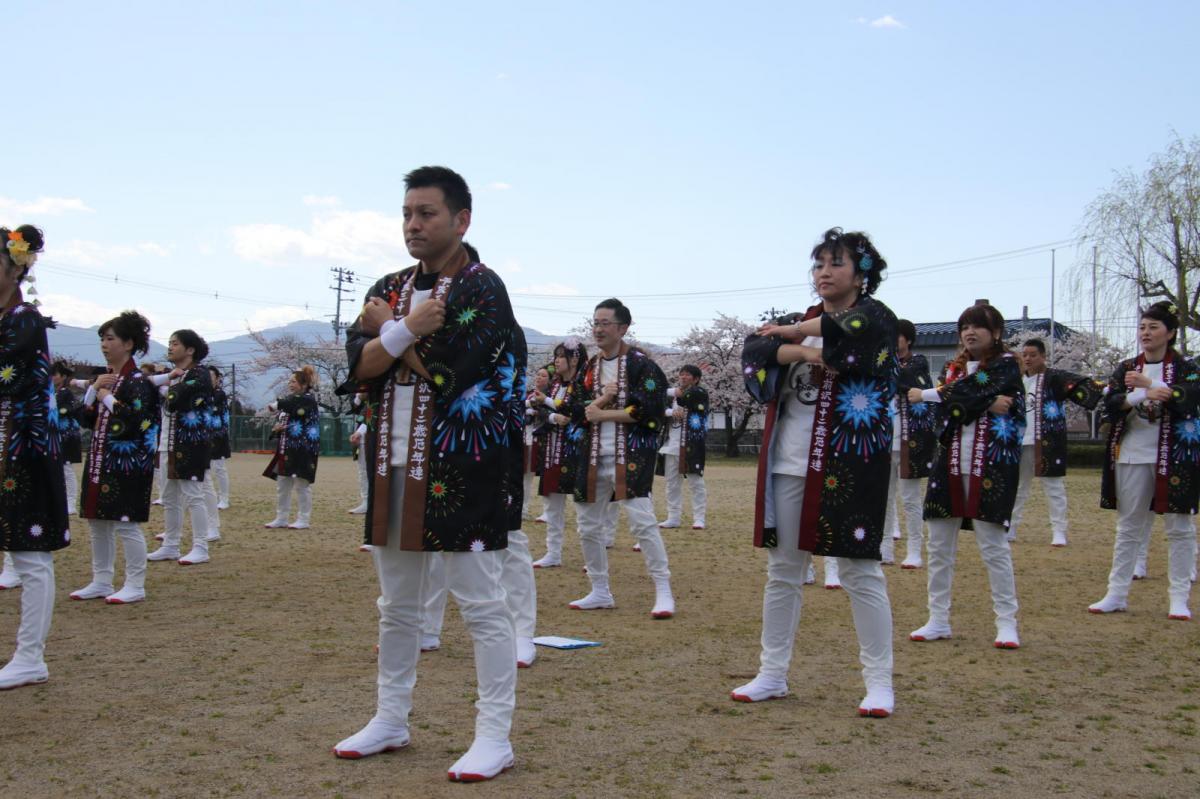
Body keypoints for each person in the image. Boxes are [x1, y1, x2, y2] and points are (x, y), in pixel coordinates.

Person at [332, 166, 518, 782]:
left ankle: (495, 734)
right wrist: (406, 328)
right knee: (397, 603)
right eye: (407, 212)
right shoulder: (389, 285)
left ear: (462, 220)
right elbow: (357, 370)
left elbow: (452, 370)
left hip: (463, 465)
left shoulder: (483, 288)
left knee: (482, 604)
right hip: (392, 461)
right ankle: (390, 717)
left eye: (427, 213)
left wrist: (388, 335)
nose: (413, 224)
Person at [733, 228, 897, 717]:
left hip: (849, 464)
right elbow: (753, 352)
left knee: (859, 571)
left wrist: (791, 337)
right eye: (819, 263)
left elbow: (856, 339)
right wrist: (801, 347)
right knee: (783, 571)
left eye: (837, 263)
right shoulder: (799, 323)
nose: (825, 272)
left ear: (861, 272)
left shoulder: (879, 319)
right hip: (788, 460)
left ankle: (879, 681)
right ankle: (773, 673)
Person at [908, 303, 1025, 649]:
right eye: (964, 327)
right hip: (949, 462)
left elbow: (972, 395)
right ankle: (938, 618)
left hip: (991, 463)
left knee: (993, 544)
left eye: (978, 327)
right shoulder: (952, 369)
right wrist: (985, 402)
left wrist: (934, 395)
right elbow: (948, 411)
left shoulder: (1007, 366)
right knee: (940, 544)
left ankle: (1006, 622)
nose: (969, 333)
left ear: (997, 333)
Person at [563, 298, 675, 618]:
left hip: (632, 454)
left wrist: (603, 412)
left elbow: (651, 410)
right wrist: (603, 401)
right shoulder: (589, 366)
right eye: (595, 323)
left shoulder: (642, 365)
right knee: (587, 525)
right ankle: (599, 590)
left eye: (605, 323)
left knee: (642, 521)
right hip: (593, 453)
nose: (598, 329)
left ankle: (663, 590)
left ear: (623, 328)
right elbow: (579, 409)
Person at [1089, 302, 1199, 620]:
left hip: (1176, 456)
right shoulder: (1126, 368)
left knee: (1179, 526)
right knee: (1128, 526)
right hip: (1132, 454)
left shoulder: (1186, 367)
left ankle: (1179, 597)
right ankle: (1116, 592)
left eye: (1153, 327)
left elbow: (1190, 397)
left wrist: (1153, 385)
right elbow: (1108, 403)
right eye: (1142, 327)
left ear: (1171, 333)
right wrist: (1137, 396)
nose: (1146, 333)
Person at [0, 224, 70, 690]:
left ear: (13, 267)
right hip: (8, 447)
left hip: (22, 449)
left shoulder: (23, 319)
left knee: (30, 553)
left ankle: (30, 656)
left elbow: (11, 380)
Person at [70, 311, 160, 605]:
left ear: (129, 344)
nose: (104, 345)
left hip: (128, 464)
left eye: (110, 339)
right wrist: (95, 391)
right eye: (102, 339)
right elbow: (85, 419)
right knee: (98, 522)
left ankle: (136, 583)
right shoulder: (107, 379)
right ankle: (101, 579)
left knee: (125, 523)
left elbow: (134, 420)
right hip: (101, 461)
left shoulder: (139, 381)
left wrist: (105, 395)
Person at [1006, 338, 1103, 546]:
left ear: (1043, 356)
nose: (1028, 358)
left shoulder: (1054, 378)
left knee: (1054, 487)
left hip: (1048, 440)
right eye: (1025, 355)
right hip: (1019, 441)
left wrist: (1103, 390)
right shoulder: (1015, 381)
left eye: (1033, 355)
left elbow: (1078, 384)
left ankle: (1059, 530)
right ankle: (1010, 527)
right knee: (1016, 487)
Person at [146, 330, 214, 565]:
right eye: (169, 343)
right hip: (166, 443)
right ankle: (170, 545)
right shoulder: (171, 375)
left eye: (175, 343)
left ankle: (201, 546)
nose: (170, 347)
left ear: (190, 349)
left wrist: (163, 388)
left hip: (191, 444)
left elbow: (175, 399)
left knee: (194, 496)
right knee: (169, 497)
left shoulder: (200, 374)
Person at [529, 340, 588, 569]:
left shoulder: (584, 383)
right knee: (552, 505)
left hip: (575, 451)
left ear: (574, 358)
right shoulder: (554, 385)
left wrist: (550, 403)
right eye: (556, 356)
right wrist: (553, 416)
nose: (556, 360)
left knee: (584, 508)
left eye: (561, 356)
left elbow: (581, 410)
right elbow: (541, 410)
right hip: (552, 449)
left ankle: (590, 556)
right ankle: (553, 552)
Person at [887, 320, 937, 568]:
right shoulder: (882, 362)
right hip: (882, 439)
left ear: (908, 339)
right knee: (883, 498)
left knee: (910, 498)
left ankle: (914, 550)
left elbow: (908, 381)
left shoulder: (917, 363)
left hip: (911, 441)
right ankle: (884, 548)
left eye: (897, 336)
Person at [263, 366, 320, 529]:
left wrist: (277, 404)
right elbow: (285, 418)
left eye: (294, 381)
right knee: (283, 484)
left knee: (302, 485)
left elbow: (297, 408)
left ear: (304, 384)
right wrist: (276, 430)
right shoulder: (291, 401)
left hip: (303, 449)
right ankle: (281, 517)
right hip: (286, 449)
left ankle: (304, 518)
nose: (290, 384)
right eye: (289, 381)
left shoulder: (307, 399)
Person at [656, 364, 708, 530]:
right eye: (681, 374)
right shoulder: (671, 396)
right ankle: (673, 517)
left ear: (696, 379)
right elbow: (657, 405)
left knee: (695, 482)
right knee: (672, 483)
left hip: (691, 444)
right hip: (671, 443)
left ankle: (699, 518)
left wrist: (664, 391)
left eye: (687, 375)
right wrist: (670, 412)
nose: (683, 377)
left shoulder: (699, 393)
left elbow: (685, 395)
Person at [51, 361, 83, 515]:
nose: (52, 377)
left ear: (63, 376)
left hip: (67, 434)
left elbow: (70, 409)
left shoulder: (66, 393)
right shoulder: (50, 393)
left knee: (66, 469)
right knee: (57, 468)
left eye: (55, 374)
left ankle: (71, 502)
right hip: (54, 435)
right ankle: (61, 500)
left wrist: (57, 411)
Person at [523, 366, 550, 520]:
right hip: (526, 437)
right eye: (538, 374)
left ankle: (547, 511)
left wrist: (534, 411)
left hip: (542, 440)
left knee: (545, 475)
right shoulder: (527, 394)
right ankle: (522, 509)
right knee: (524, 475)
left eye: (544, 376)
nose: (539, 378)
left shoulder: (549, 397)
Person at [207, 366, 232, 510]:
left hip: (218, 436)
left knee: (219, 468)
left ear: (217, 379)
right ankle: (210, 497)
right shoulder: (202, 394)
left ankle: (224, 498)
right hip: (204, 436)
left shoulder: (219, 394)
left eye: (211, 376)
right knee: (206, 468)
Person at [348, 391, 370, 515]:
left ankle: (374, 501)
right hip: (362, 440)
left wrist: (359, 432)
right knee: (363, 471)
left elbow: (371, 417)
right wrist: (358, 396)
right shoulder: (360, 399)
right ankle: (366, 502)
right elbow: (354, 408)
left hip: (376, 439)